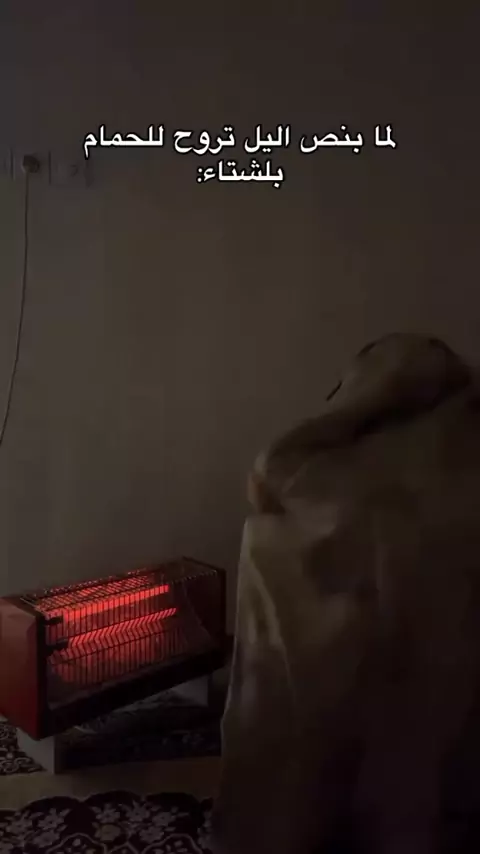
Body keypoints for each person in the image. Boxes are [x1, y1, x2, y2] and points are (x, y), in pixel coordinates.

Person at [211, 333, 480, 853]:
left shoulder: (324, 463)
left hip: (341, 706)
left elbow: (269, 472)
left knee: (266, 541)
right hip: (441, 748)